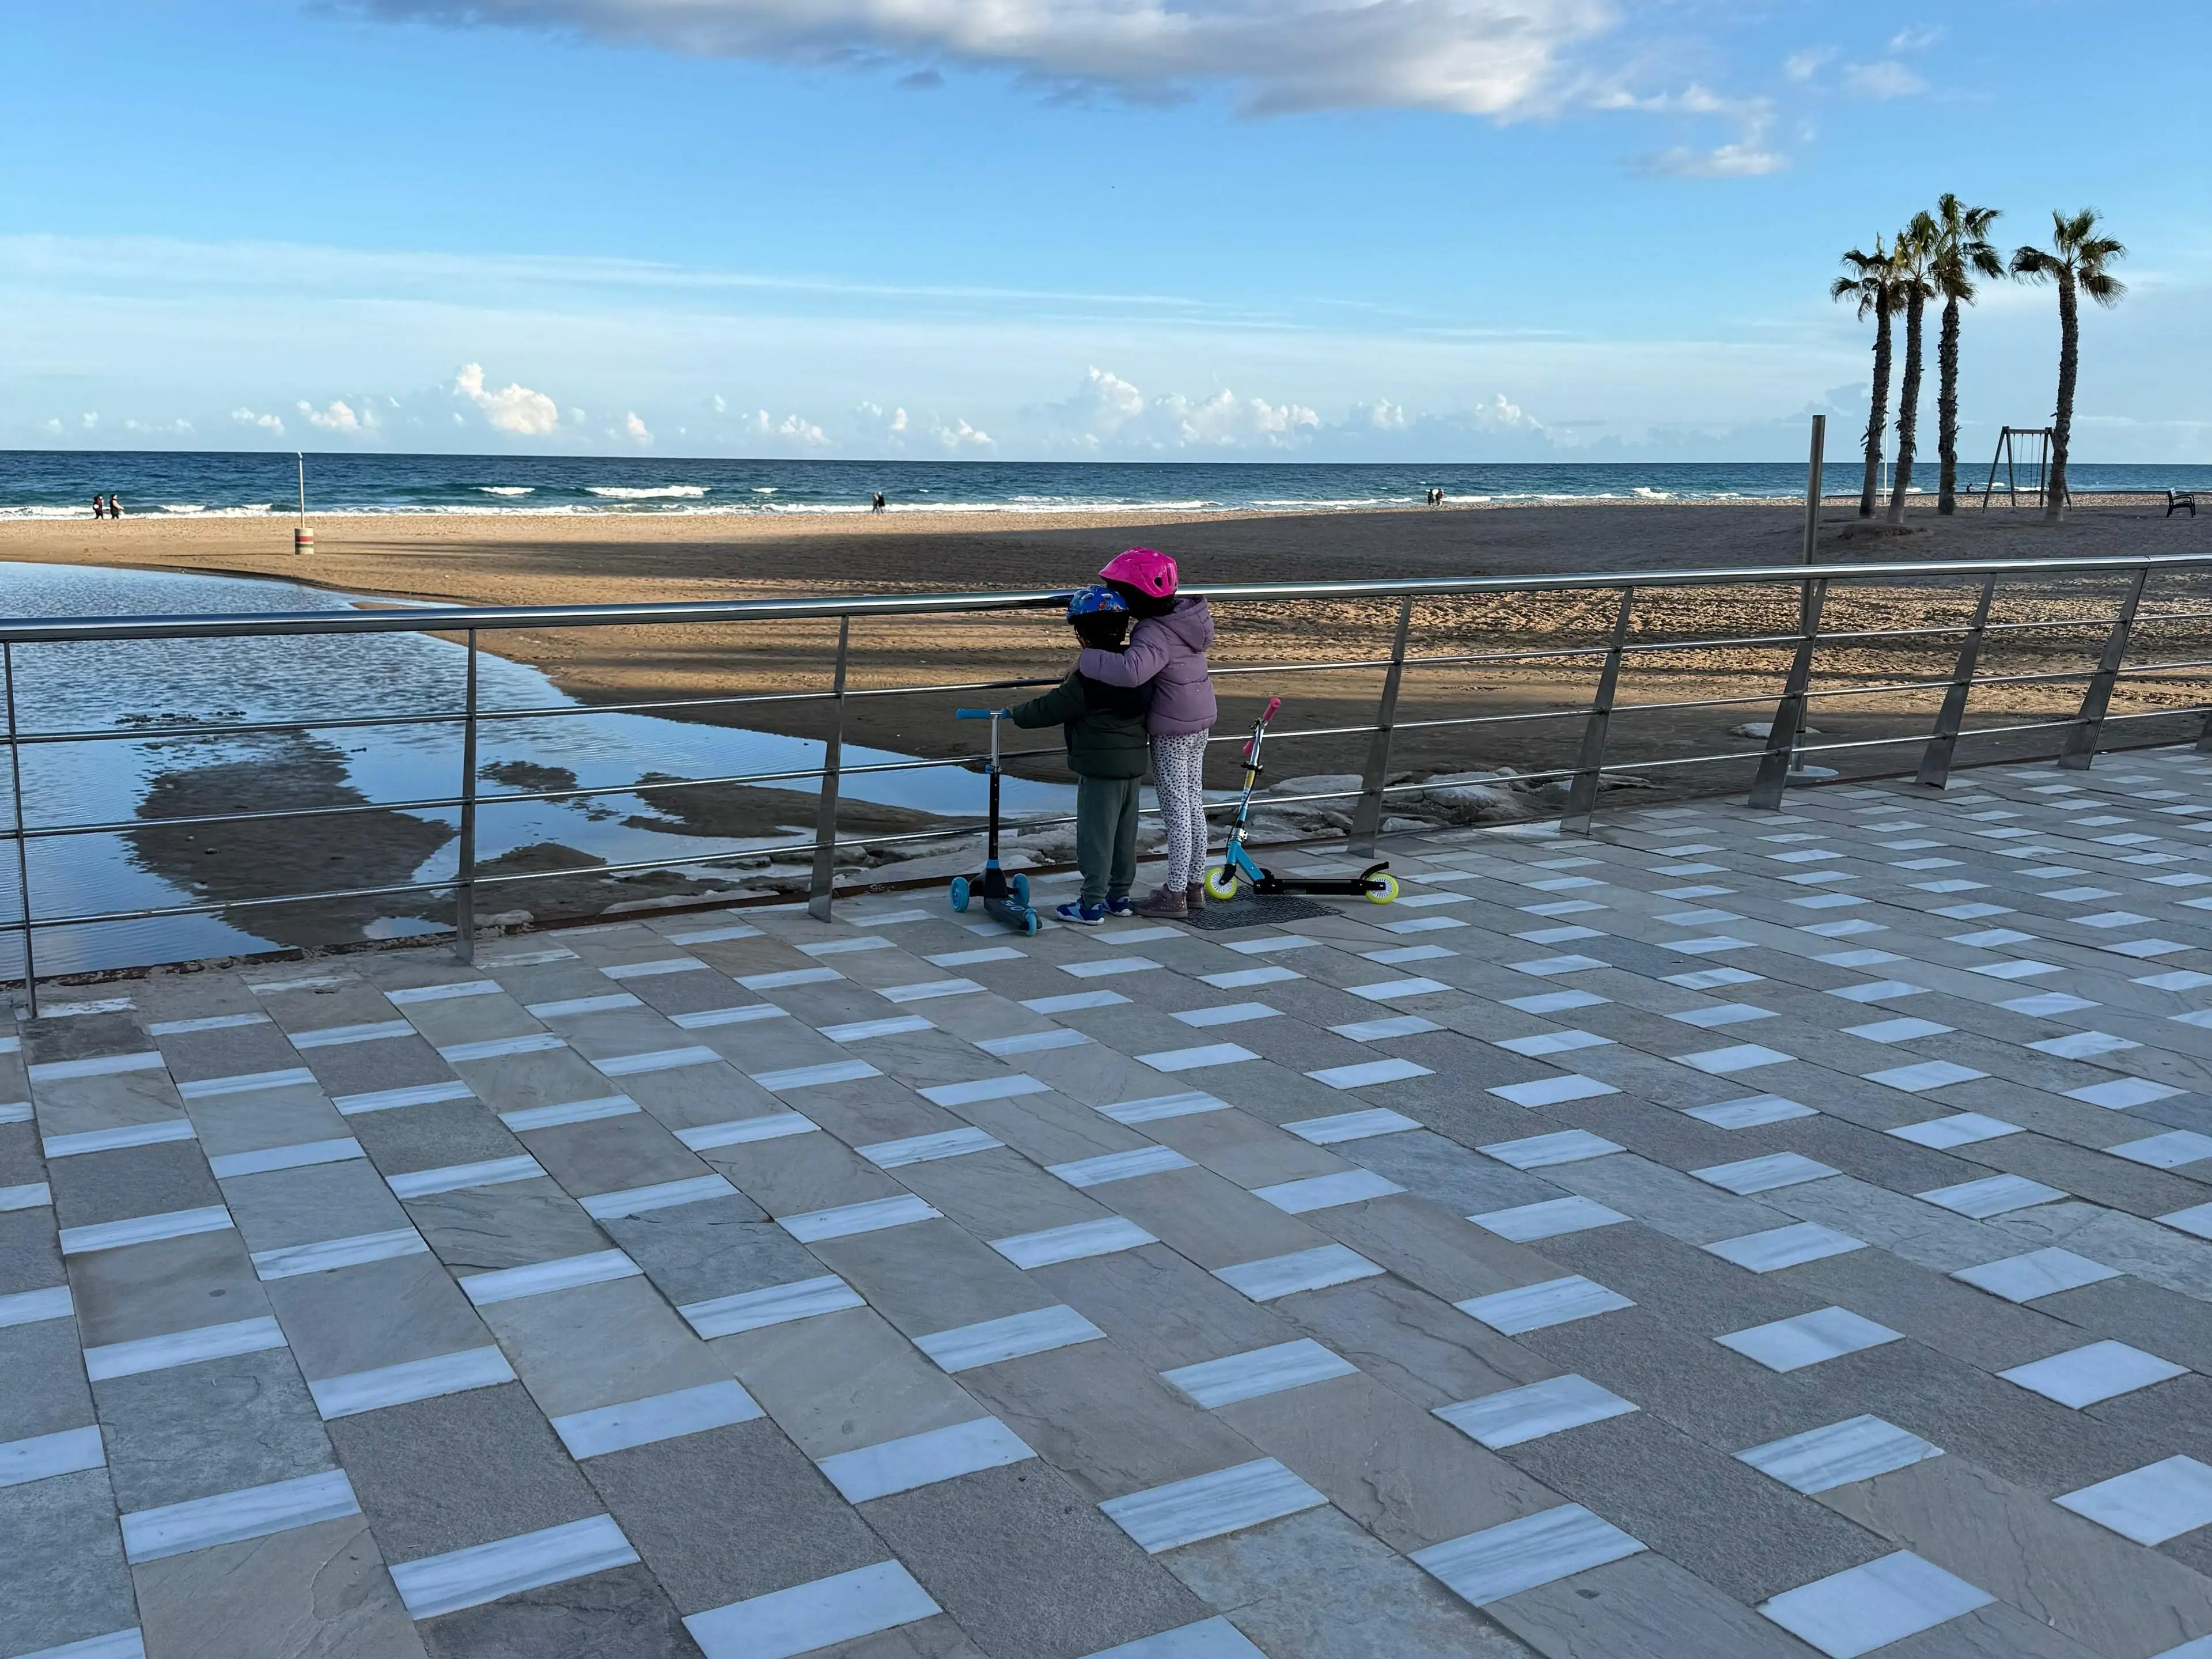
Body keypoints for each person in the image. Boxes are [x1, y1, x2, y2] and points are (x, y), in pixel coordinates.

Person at [1077, 547, 1217, 918]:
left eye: (1120, 590)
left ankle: (1174, 895)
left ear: (1139, 594)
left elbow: (1131, 672)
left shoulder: (1153, 631)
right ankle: (1194, 886)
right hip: (1199, 718)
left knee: (1176, 811)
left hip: (1171, 727)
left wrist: (1086, 659)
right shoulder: (1185, 619)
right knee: (1192, 801)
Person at [1006, 585, 1151, 925]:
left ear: (1083, 636)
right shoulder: (1136, 667)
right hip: (1133, 765)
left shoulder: (1088, 678)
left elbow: (1048, 709)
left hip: (1099, 768)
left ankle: (1091, 904)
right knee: (1124, 835)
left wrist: (1013, 712)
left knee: (1096, 837)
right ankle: (1120, 896)